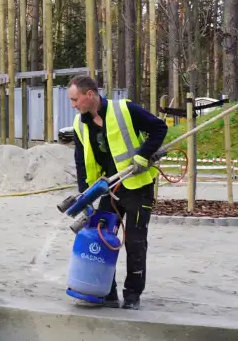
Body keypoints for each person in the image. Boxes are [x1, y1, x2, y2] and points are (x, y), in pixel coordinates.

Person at [69, 75, 167, 310]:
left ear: (89, 95)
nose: (73, 105)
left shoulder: (125, 110)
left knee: (135, 242)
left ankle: (132, 295)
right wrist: (85, 195)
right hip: (108, 190)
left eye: (75, 100)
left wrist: (143, 155)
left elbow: (158, 128)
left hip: (137, 188)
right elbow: (82, 162)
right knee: (102, 239)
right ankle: (107, 291)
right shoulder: (79, 124)